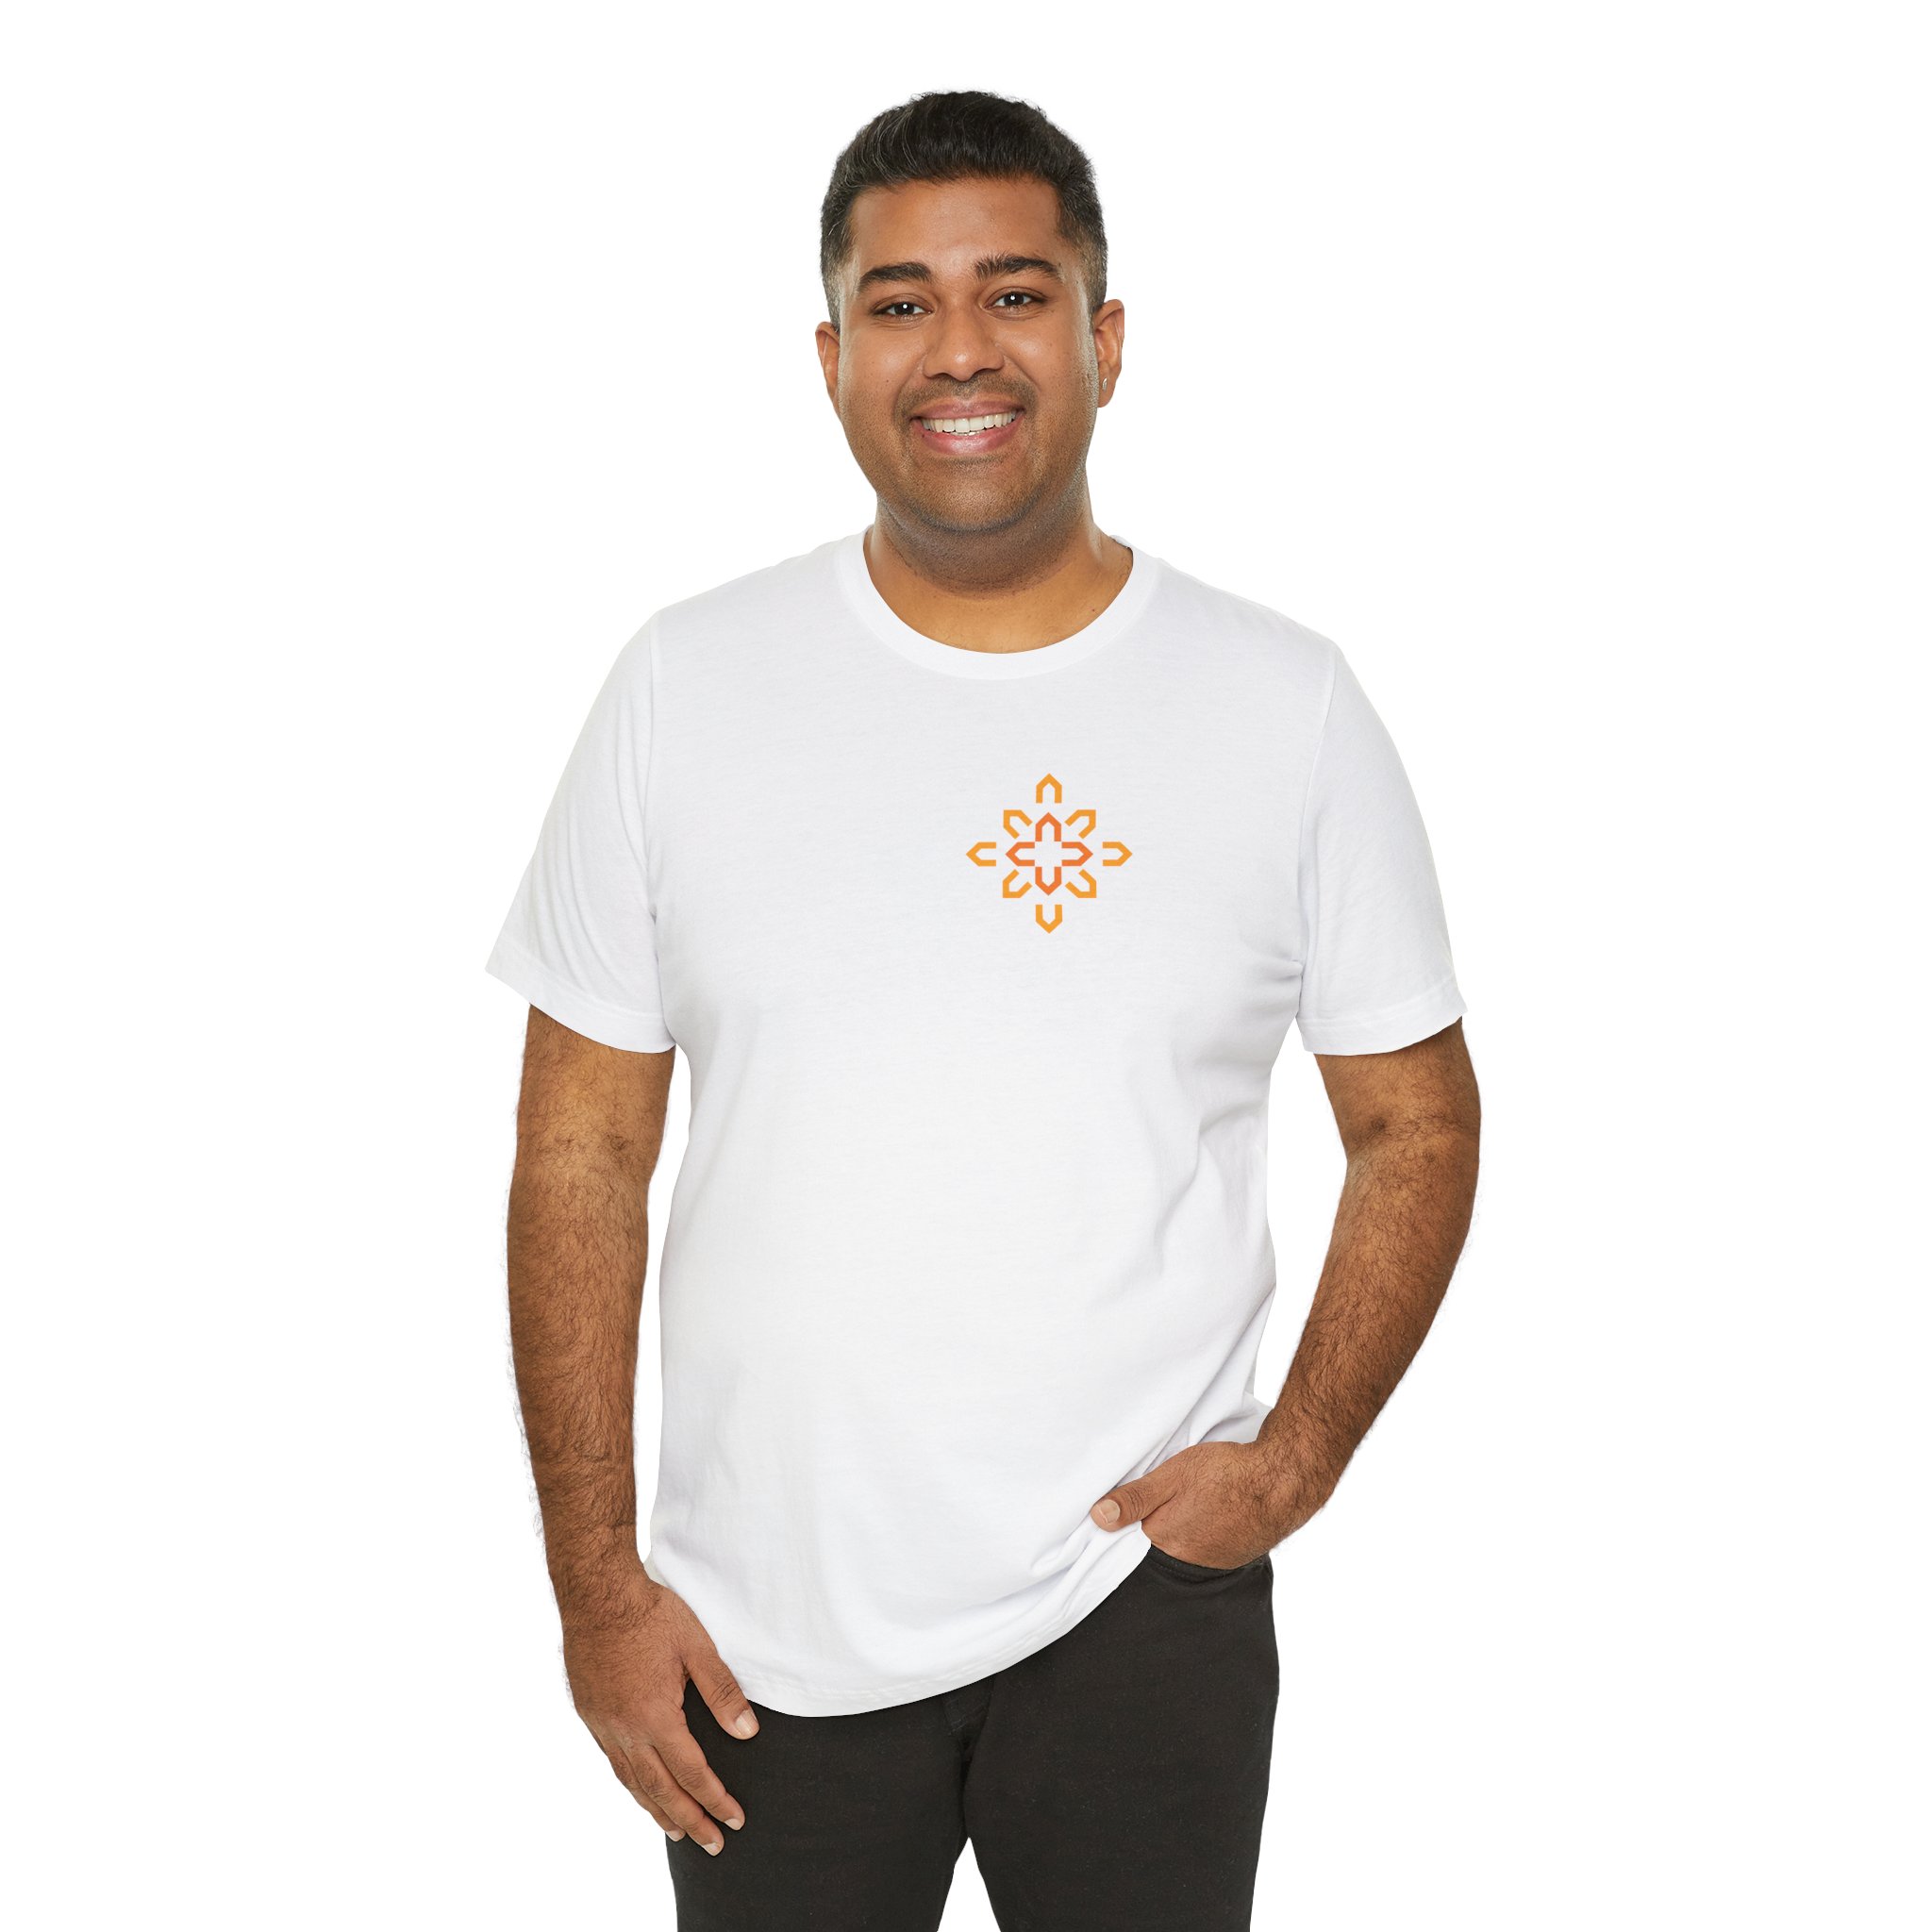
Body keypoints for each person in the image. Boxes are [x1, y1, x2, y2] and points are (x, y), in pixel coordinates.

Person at [487, 88, 1480, 1932]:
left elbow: (1412, 1118)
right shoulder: (684, 688)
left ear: (1106, 341)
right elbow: (579, 1159)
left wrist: (1292, 1462)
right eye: (901, 302)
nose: (959, 349)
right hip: (756, 1632)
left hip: (1136, 1604)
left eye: (1015, 294)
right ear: (831, 358)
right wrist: (594, 1589)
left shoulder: (1284, 707)